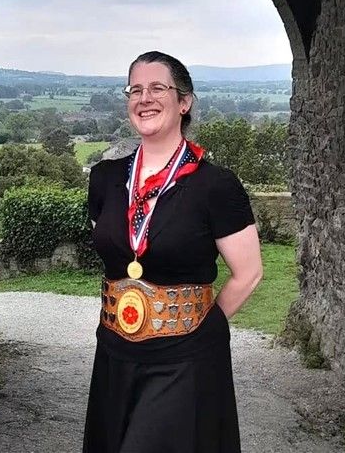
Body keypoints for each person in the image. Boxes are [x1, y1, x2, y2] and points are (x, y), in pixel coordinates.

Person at [83, 51, 263, 453]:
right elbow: (119, 253)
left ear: (184, 102)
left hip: (183, 358)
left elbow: (248, 273)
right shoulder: (104, 179)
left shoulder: (216, 186)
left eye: (157, 88)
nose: (144, 98)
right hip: (114, 348)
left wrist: (202, 330)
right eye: (135, 89)